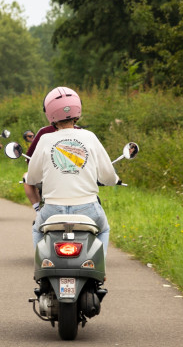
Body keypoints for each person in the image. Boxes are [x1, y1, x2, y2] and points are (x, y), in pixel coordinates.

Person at [25, 86, 119, 250]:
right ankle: (98, 269)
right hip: (88, 208)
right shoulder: (89, 137)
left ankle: (41, 267)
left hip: (52, 209)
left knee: (37, 230)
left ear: (49, 112)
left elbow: (32, 178)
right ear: (78, 109)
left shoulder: (45, 139)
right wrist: (113, 180)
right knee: (104, 230)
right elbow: (108, 177)